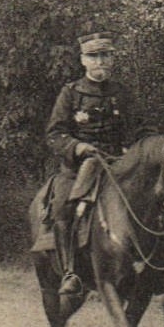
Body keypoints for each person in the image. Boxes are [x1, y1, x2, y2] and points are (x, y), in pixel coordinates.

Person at [42, 31, 148, 298]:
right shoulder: (71, 93)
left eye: (105, 56)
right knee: (63, 207)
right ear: (83, 60)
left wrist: (135, 148)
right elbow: (54, 135)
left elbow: (142, 129)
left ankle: (153, 266)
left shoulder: (122, 94)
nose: (100, 61)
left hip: (118, 165)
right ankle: (70, 272)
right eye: (94, 56)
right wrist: (77, 147)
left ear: (112, 60)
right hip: (80, 167)